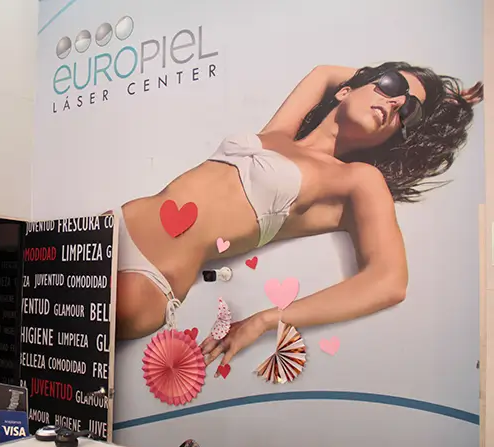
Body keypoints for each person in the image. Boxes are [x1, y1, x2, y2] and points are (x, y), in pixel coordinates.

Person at [112, 62, 483, 374]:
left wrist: (266, 319)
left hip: (149, 278)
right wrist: (429, 96)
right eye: (391, 85)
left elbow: (389, 282)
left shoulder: (356, 179)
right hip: (112, 227)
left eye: (408, 112)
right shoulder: (279, 132)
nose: (397, 103)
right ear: (345, 90)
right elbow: (324, 73)